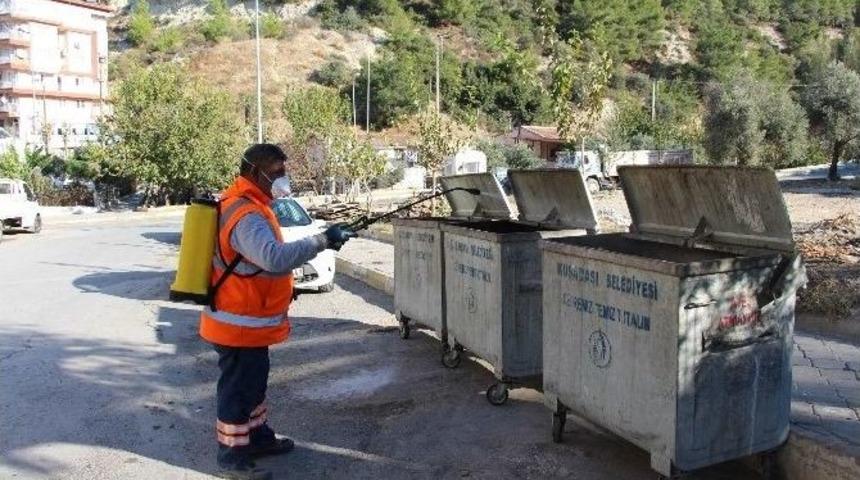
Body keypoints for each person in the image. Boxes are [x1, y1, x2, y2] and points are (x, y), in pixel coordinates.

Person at [199, 144, 355, 480]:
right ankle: (232, 458)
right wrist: (322, 241)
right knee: (238, 390)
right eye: (278, 171)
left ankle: (257, 438)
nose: (284, 177)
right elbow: (273, 257)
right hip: (237, 325)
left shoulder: (251, 204)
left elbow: (254, 267)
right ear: (256, 172)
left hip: (246, 323)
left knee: (254, 385)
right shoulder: (245, 214)